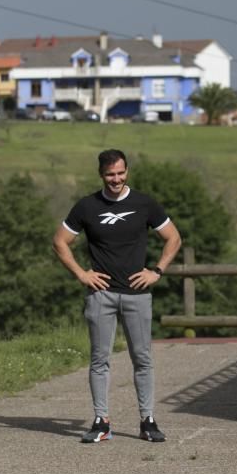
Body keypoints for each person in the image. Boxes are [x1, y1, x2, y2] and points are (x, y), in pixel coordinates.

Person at [52, 149, 182, 443]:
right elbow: (60, 241)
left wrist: (157, 271)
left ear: (127, 171)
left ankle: (147, 421)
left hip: (138, 294)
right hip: (101, 295)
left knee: (143, 358)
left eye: (121, 173)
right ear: (101, 174)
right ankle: (101, 422)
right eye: (110, 174)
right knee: (100, 359)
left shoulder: (144, 203)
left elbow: (173, 238)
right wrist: (81, 274)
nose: (116, 179)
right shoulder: (86, 206)